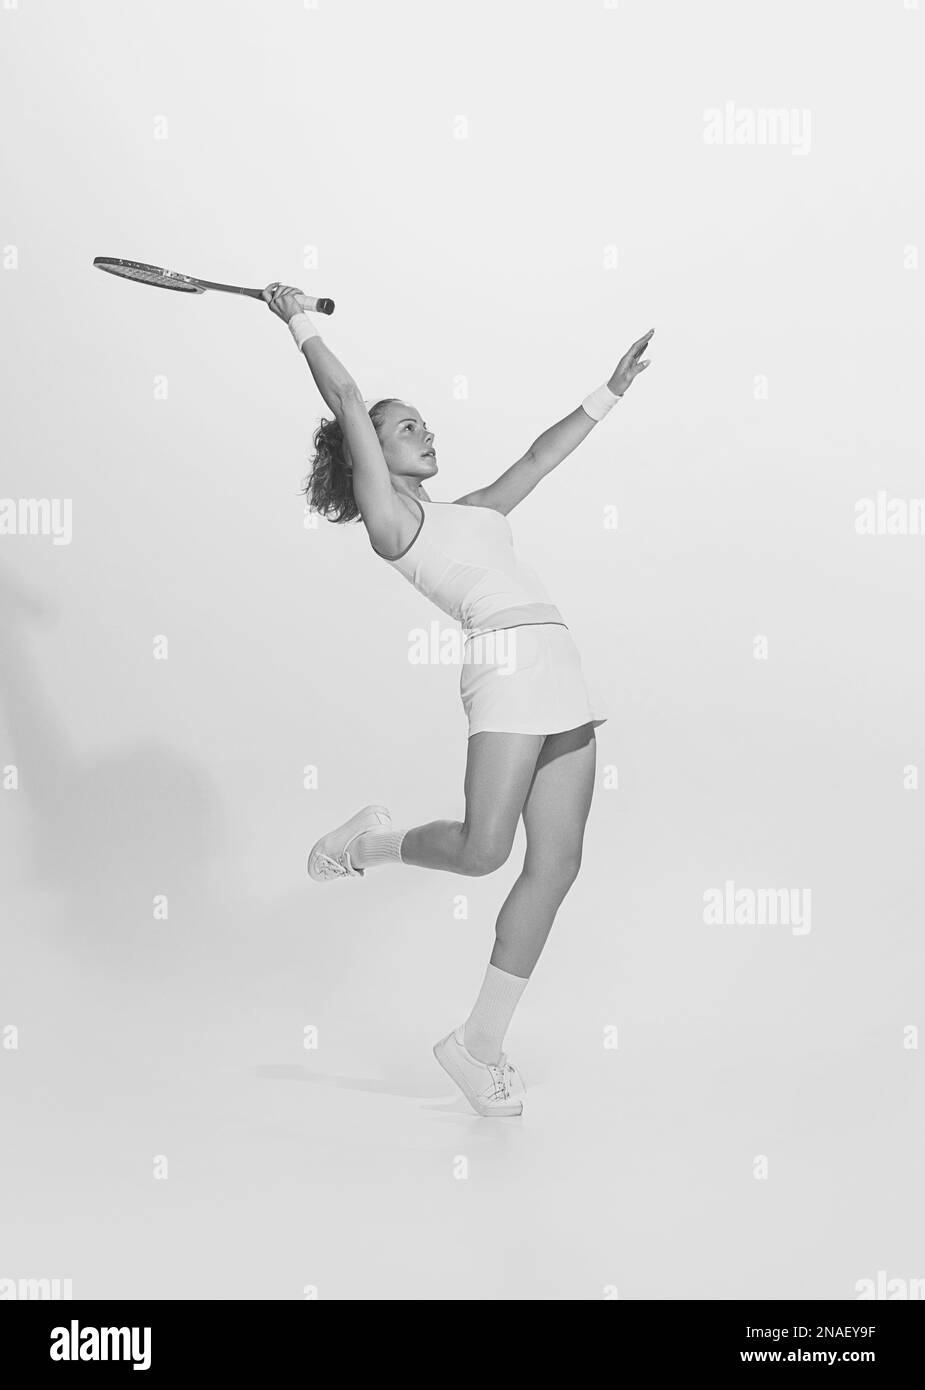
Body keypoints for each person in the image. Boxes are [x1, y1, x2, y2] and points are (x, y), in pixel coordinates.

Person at [263, 282, 653, 1117]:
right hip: (506, 665)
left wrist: (607, 391)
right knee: (484, 852)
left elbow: (539, 460)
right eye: (406, 427)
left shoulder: (473, 512)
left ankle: (477, 1047)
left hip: (560, 661)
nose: (424, 432)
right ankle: (367, 845)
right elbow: (343, 397)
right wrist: (297, 320)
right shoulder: (391, 522)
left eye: (423, 425)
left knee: (558, 864)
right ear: (369, 450)